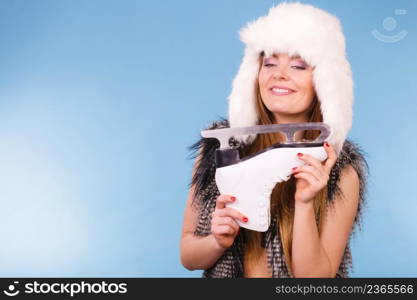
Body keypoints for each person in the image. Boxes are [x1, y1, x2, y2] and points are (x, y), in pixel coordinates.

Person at [180, 2, 369, 278]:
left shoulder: (339, 171)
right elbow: (188, 255)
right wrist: (216, 241)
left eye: (298, 66)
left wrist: (304, 204)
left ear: (324, 83)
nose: (279, 74)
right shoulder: (220, 150)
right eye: (269, 63)